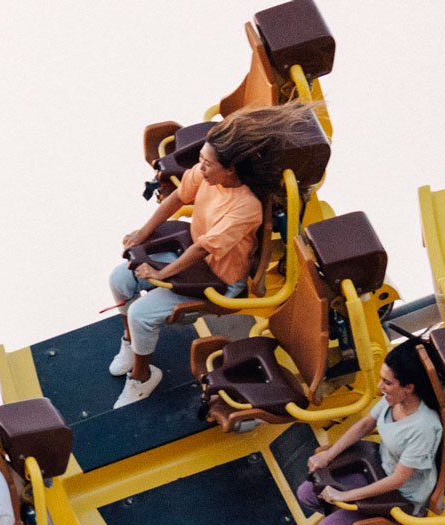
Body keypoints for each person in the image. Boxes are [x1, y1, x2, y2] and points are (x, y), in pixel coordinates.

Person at [108, 105, 312, 409]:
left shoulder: (246, 208)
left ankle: (142, 376)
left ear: (230, 170)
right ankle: (130, 342)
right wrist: (142, 232)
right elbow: (178, 197)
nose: (200, 168)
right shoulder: (207, 175)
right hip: (192, 250)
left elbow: (203, 248)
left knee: (142, 315)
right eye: (201, 161)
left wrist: (161, 275)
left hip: (219, 277)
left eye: (207, 164)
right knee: (120, 279)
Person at [295, 340, 444, 525]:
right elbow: (365, 425)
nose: (379, 388)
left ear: (408, 388)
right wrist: (326, 457)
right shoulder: (393, 402)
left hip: (401, 493)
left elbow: (398, 480)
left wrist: (345, 496)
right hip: (378, 463)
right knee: (306, 493)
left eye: (387, 383)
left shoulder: (423, 428)